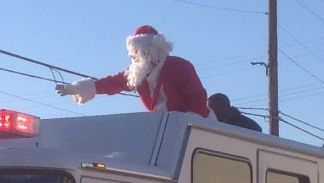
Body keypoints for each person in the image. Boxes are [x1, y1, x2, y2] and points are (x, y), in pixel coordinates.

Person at [55, 25, 211, 116]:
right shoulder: (138, 72)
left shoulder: (179, 67)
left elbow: (197, 97)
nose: (137, 57)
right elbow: (112, 83)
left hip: (192, 130)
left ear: (155, 49)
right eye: (135, 53)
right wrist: (79, 88)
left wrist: (187, 125)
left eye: (141, 52)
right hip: (162, 127)